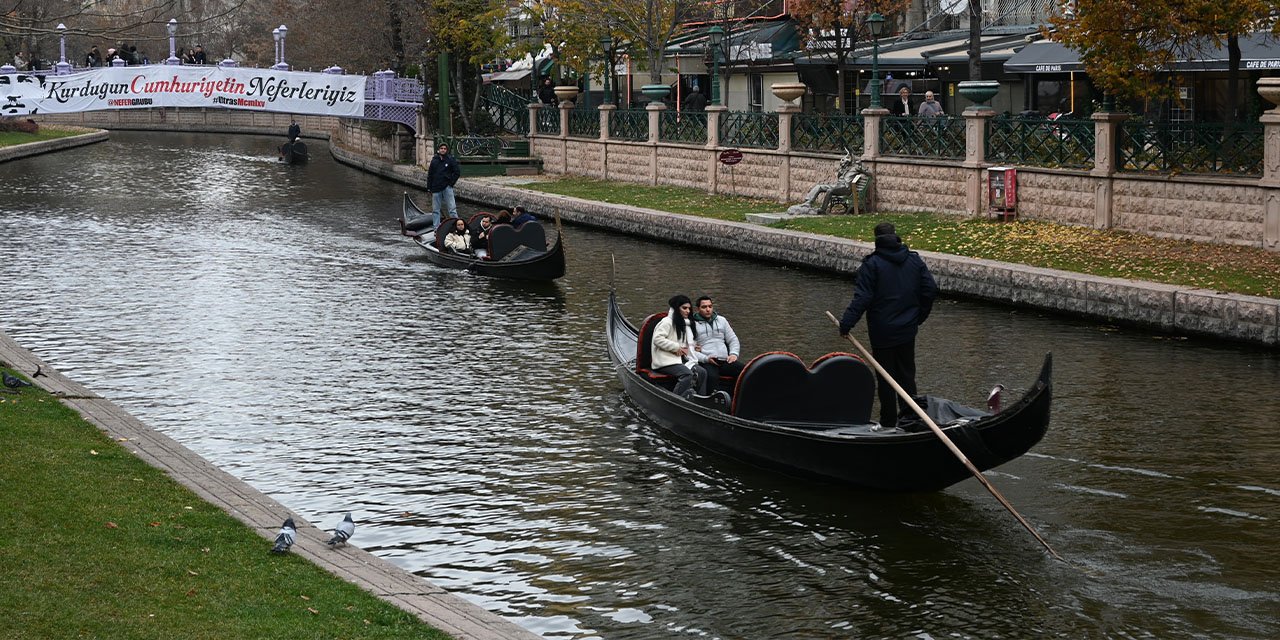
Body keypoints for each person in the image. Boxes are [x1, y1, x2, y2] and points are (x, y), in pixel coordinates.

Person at [838, 222, 938, 430]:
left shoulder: (871, 265)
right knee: (907, 375)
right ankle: (910, 419)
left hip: (883, 332)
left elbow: (862, 298)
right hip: (908, 329)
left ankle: (888, 424)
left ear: (876, 241)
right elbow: (930, 290)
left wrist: (846, 324)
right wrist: (919, 317)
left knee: (886, 379)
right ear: (896, 237)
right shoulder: (914, 260)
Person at [651, 295, 706, 399]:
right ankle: (675, 400)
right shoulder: (667, 322)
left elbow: (682, 343)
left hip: (680, 359)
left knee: (702, 372)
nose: (688, 311)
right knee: (687, 374)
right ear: (676, 308)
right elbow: (657, 339)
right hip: (665, 360)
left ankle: (700, 400)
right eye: (684, 308)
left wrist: (693, 347)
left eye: (689, 308)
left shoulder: (684, 323)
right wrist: (676, 347)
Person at [691, 296, 743, 396]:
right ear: (698, 309)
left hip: (724, 359)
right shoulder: (692, 324)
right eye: (704, 307)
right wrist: (706, 358)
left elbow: (733, 339)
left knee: (744, 371)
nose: (708, 309)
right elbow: (690, 350)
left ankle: (739, 398)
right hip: (706, 360)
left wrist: (733, 354)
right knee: (712, 377)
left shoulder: (722, 320)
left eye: (710, 306)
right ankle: (712, 403)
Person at [426, 142, 461, 227]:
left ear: (447, 150)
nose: (443, 150)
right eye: (441, 148)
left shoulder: (450, 159)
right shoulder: (434, 160)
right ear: (439, 149)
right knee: (435, 210)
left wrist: (451, 184)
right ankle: (436, 228)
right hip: (436, 187)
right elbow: (430, 175)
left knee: (452, 208)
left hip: (447, 187)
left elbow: (457, 172)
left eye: (445, 149)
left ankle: (457, 225)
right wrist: (429, 188)